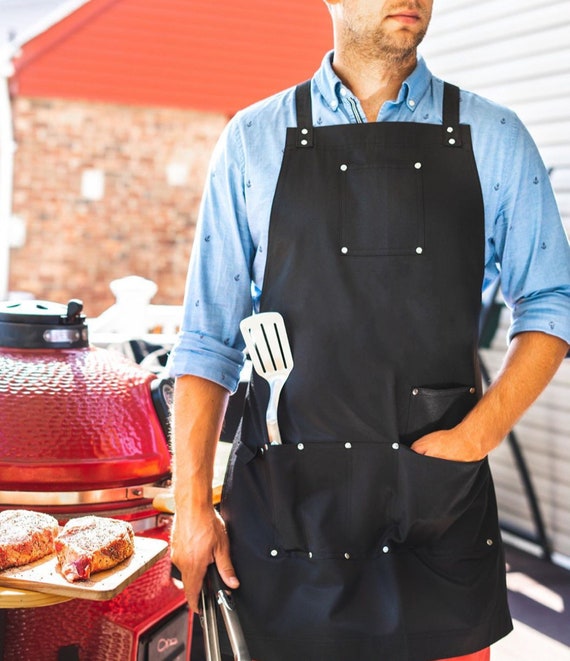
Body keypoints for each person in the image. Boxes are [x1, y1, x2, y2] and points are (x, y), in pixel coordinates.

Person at [168, 1, 570, 659]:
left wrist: (481, 432)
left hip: (433, 519)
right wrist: (190, 506)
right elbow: (209, 338)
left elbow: (552, 301)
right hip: (282, 522)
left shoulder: (494, 134)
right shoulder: (252, 139)